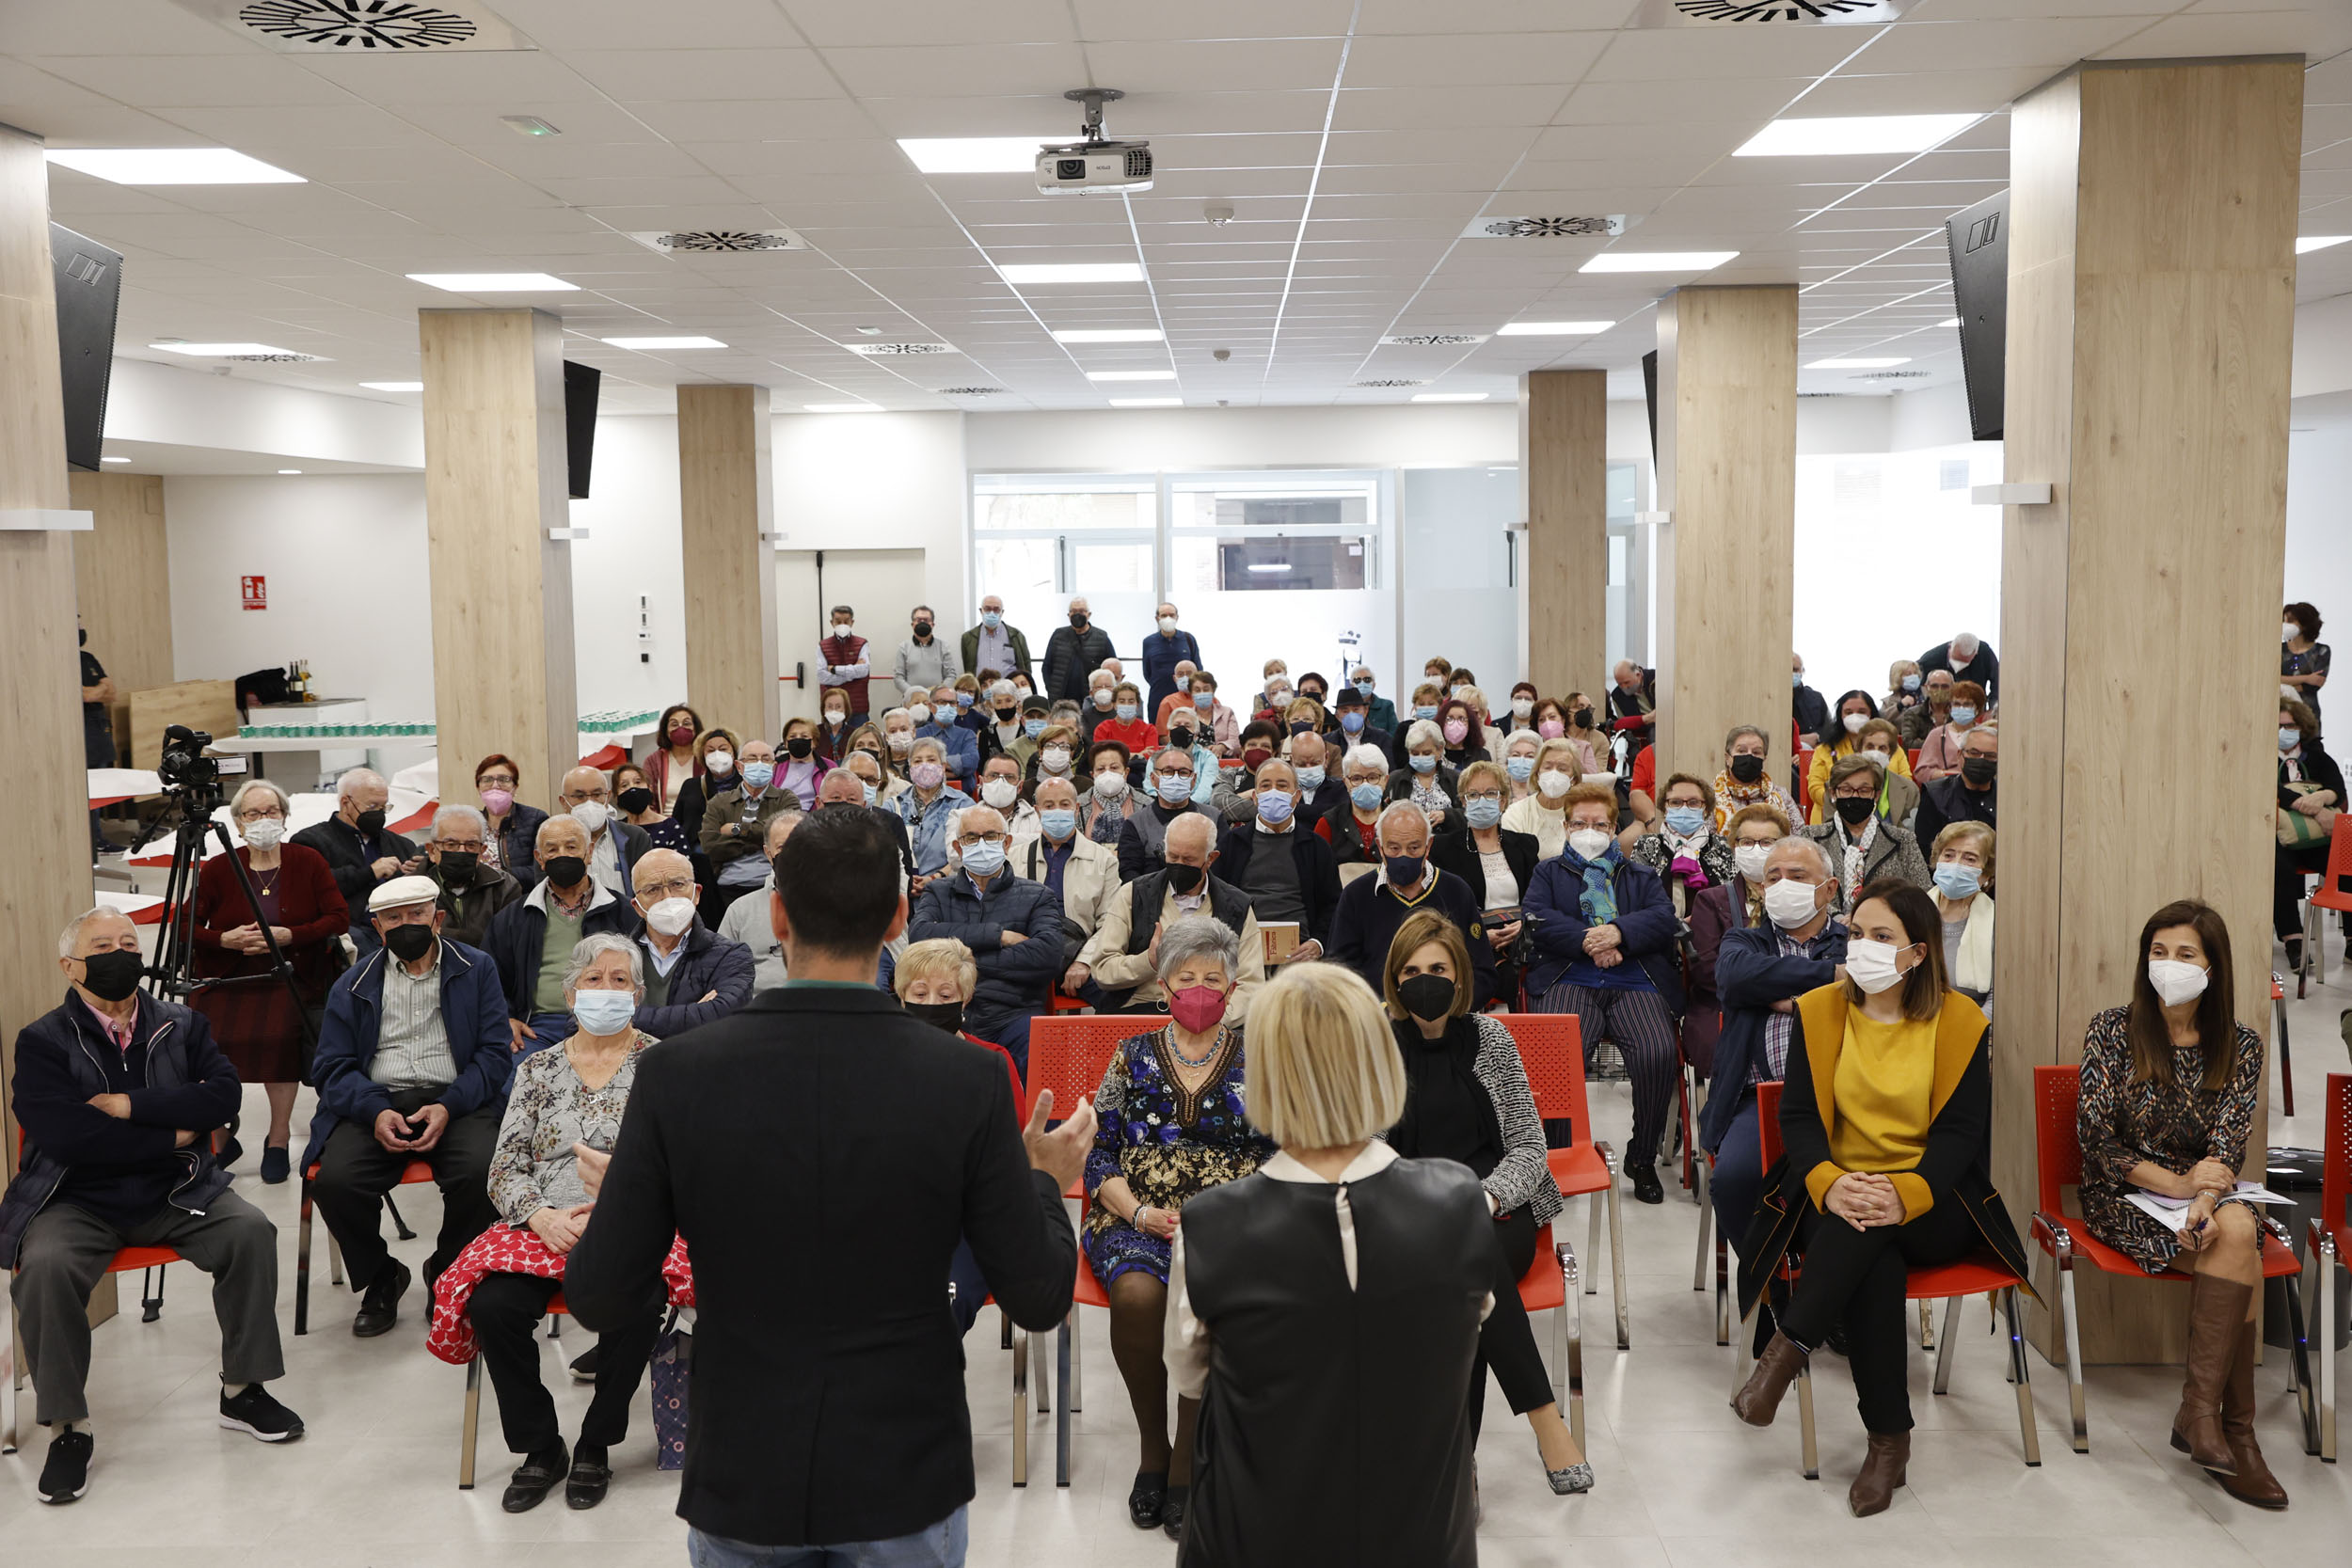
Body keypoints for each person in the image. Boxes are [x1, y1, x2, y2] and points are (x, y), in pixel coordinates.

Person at [561, 806, 1096, 1560]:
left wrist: (638, 1193)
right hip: (902, 1470)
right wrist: (1043, 1178)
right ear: (900, 917)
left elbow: (601, 1294)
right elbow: (1039, 1295)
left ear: (776, 914)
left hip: (743, 1468)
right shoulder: (965, 1078)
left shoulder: (676, 1076)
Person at [1169, 961, 1494, 1568]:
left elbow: (1189, 1380)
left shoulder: (1213, 1225)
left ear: (1263, 1074)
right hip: (1424, 1540)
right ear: (1377, 1060)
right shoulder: (1459, 1201)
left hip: (1257, 1538)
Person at [1731, 880, 2029, 1519]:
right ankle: (1888, 1442)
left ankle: (1786, 1351)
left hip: (1934, 1196)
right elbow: (1802, 1121)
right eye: (1857, 933)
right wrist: (1834, 1182)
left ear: (1918, 952)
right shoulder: (1820, 1009)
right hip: (1834, 1188)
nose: (1862, 947)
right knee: (1871, 1252)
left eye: (1881, 936)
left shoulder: (1961, 1022)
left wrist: (1906, 1192)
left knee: (1870, 1232)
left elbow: (1960, 1134)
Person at [3, 909, 300, 1501]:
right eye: (103, 945)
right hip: (75, 1196)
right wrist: (172, 1129)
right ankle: (68, 1426)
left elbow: (220, 1100)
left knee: (250, 1231)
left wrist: (130, 1107)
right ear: (70, 966)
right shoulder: (42, 1041)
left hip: (176, 1189)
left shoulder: (183, 1024)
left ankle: (243, 1390)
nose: (121, 954)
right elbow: (65, 1138)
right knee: (46, 1267)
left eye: (129, 943)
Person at [436, 934, 668, 1513]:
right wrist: (541, 1215)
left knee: (643, 1303)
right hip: (543, 1225)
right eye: (595, 980)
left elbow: (688, 1163)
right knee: (494, 1306)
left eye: (620, 981)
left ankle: (597, 1442)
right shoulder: (538, 1069)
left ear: (639, 994)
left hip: (632, 1222)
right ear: (570, 994)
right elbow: (504, 1166)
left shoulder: (665, 1064)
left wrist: (622, 1197)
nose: (607, 991)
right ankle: (540, 1447)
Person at [2074, 899, 2281, 1507]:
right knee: (2242, 1246)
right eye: (2158, 952)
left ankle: (2206, 1417)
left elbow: (2228, 1145)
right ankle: (2229, 1433)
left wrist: (2207, 1196)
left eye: (2185, 954)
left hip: (2201, 1206)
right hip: (2122, 1197)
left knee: (2235, 1232)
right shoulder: (2113, 1029)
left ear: (2213, 967)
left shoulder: (2240, 1043)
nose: (2168, 964)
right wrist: (2180, 1186)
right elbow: (2095, 1140)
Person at [1381, 911, 1590, 1494]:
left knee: (1468, 1267)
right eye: (1413, 970)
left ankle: (1457, 1465)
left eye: (1439, 969)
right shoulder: (1374, 1039)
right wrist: (1430, 1201)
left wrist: (1486, 1195)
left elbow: (1528, 1144)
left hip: (1498, 1205)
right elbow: (1365, 1148)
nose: (1427, 981)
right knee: (1469, 1278)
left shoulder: (1491, 1038)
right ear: (1396, 979)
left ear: (1461, 975)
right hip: (1408, 1209)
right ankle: (1546, 1421)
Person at [1084, 917, 1275, 1538]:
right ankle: (1152, 1448)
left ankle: (1190, 1455)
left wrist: (1230, 1210)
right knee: (1139, 1293)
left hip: (1232, 1220)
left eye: (1211, 979)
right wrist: (1137, 1211)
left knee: (1206, 1296)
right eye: (1185, 977)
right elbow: (1099, 1153)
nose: (1198, 989)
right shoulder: (1131, 1052)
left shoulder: (1261, 1055)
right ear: (1163, 985)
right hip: (1135, 1211)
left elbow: (1282, 1153)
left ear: (1233, 985)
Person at [306, 876, 515, 1338]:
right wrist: (375, 1110)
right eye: (393, 919)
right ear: (377, 929)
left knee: (485, 1171)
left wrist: (449, 1104)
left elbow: (495, 1055)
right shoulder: (352, 983)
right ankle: (382, 1275)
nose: (406, 926)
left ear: (436, 917)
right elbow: (332, 1067)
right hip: (376, 1101)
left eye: (416, 914)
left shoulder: (476, 968)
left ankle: (447, 1271)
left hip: (457, 1098)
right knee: (335, 1181)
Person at [1524, 783, 1685, 1204]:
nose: (1589, 830)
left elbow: (1663, 918)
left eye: (1599, 824)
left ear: (1614, 829)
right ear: (1566, 826)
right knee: (1560, 1052)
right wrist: (1592, 940)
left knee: (1656, 1051)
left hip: (1634, 979)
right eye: (1580, 823)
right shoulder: (1548, 872)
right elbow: (1537, 917)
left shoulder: (1639, 873)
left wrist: (1619, 933)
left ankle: (1642, 1156)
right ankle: (1560, 1154)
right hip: (1569, 975)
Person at [190, 779, 347, 1182]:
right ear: (239, 824)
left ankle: (278, 1138)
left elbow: (337, 917)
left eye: (271, 811)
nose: (264, 820)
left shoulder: (307, 860)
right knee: (204, 1042)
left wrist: (290, 935)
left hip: (288, 973)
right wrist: (223, 939)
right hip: (229, 975)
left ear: (285, 817)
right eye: (253, 814)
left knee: (279, 1037)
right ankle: (221, 1137)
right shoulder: (221, 866)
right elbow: (184, 925)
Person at [1699, 834, 1845, 1266]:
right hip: (1756, 1098)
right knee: (1734, 1179)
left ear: (1830, 888)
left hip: (1838, 1099)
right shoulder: (1744, 942)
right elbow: (1735, 979)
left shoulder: (1850, 941)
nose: (1783, 885)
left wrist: (1784, 992)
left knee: (1851, 1179)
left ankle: (1829, 1286)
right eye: (1773, 877)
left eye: (1797, 876)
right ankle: (1771, 1283)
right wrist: (1829, 980)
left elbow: (1864, 984)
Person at [907, 804, 1062, 1072]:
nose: (981, 844)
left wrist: (961, 960)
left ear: (1007, 843)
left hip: (1013, 1014)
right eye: (971, 837)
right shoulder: (938, 892)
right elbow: (920, 937)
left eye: (991, 836)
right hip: (945, 1009)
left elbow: (1047, 955)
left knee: (1040, 1045)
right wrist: (998, 935)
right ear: (958, 847)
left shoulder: (1037, 895)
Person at [1074, 812, 1265, 1022]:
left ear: (1211, 858)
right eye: (1172, 857)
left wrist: (1214, 1021)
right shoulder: (1133, 894)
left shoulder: (1237, 906)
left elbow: (1250, 983)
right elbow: (1102, 970)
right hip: (1140, 1013)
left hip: (1212, 1020)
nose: (1179, 865)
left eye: (1189, 859)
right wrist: (1148, 961)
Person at [488, 816, 643, 1055]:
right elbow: (492, 978)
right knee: (514, 1081)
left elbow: (643, 974)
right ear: (540, 859)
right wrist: (507, 1018)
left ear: (589, 852)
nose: (562, 855)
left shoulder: (621, 910)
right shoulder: (512, 917)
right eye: (552, 849)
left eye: (571, 847)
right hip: (538, 1028)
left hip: (608, 1021)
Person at [1328, 802, 1497, 1009]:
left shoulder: (1457, 891)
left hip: (1448, 1019)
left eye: (1414, 847)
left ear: (1429, 846)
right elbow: (1339, 971)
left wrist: (1450, 1010)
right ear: (1380, 847)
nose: (1403, 856)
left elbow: (1482, 972)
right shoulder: (1356, 895)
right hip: (1380, 1020)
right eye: (1394, 848)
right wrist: (1378, 1012)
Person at [1687, 804, 1796, 1083]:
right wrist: (1767, 994)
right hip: (1723, 1004)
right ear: (1734, 848)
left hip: (1791, 1005)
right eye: (1747, 842)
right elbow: (1706, 970)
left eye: (1767, 842)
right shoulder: (1711, 901)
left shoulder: (1801, 898)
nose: (1756, 849)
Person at [1214, 757, 1341, 970]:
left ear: (1296, 796)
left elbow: (1333, 904)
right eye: (1266, 786)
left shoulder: (1315, 846)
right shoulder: (1232, 844)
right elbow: (1216, 900)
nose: (1273, 792)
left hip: (1301, 953)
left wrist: (1318, 943)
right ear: (1255, 797)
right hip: (1243, 951)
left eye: (1282, 786)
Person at [1431, 760, 1538, 1006]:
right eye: (1473, 794)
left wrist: (1523, 927)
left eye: (1490, 793)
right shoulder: (1443, 848)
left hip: (1521, 941)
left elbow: (1536, 900)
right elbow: (1441, 909)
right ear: (1463, 801)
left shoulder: (1525, 844)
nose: (1482, 800)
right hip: (1470, 940)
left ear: (1502, 800)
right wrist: (1478, 937)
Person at [626, 847, 754, 1037]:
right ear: (637, 906)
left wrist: (622, 1017)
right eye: (653, 889)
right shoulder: (616, 957)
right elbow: (578, 1022)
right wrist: (696, 1013)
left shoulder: (731, 955)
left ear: (697, 894)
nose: (668, 897)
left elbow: (723, 1016)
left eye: (677, 884)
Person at [294, 766, 423, 952]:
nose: (379, 813)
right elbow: (313, 888)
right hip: (350, 933)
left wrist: (420, 871)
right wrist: (369, 872)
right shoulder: (311, 841)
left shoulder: (401, 844)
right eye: (372, 807)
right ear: (345, 803)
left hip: (398, 927)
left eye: (383, 807)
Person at [1021, 774, 1122, 999]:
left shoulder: (1104, 860)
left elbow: (1111, 922)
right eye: (1049, 805)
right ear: (1037, 811)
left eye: (1064, 804)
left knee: (1116, 994)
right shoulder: (1015, 857)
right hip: (1026, 959)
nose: (1057, 810)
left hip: (1078, 953)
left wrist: (1084, 961)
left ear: (1076, 809)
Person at [1803, 755, 1931, 908]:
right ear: (1833, 793)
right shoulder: (1810, 837)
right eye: (1846, 789)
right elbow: (1802, 891)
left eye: (1864, 790)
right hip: (1826, 926)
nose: (1855, 796)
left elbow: (1922, 893)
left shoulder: (1903, 839)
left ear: (1876, 795)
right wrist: (1836, 918)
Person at [2275, 695, 2343, 970]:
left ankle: (2351, 939)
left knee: (2345, 862)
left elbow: (2339, 790)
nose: (2283, 732)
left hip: (2316, 840)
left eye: (2289, 726)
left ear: (2301, 727)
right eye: (2278, 726)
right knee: (2278, 868)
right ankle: (2294, 940)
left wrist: (2324, 796)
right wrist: (2314, 808)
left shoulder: (2317, 756)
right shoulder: (2260, 756)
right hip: (2281, 840)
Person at [697, 738, 797, 919]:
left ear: (774, 767)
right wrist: (759, 840)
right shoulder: (718, 803)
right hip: (728, 886)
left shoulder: (786, 799)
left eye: (765, 759)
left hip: (774, 883)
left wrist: (737, 830)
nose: (759, 763)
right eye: (752, 759)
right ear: (739, 766)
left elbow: (789, 838)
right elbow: (710, 845)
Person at [1628, 771, 1735, 918]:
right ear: (1665, 809)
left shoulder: (1723, 846)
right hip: (1660, 931)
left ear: (1706, 810)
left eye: (1693, 802)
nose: (1684, 808)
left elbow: (1732, 901)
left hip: (1713, 933)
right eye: (1676, 802)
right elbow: (1636, 899)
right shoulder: (1646, 845)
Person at [425, 803, 527, 954]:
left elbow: (506, 944)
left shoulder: (505, 887)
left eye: (471, 845)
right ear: (432, 851)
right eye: (451, 844)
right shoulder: (411, 890)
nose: (461, 851)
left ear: (482, 851)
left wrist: (442, 934)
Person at [718, 810, 799, 992]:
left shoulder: (835, 907)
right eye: (782, 848)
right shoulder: (740, 910)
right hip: (756, 1011)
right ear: (768, 853)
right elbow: (722, 972)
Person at [1804, 690, 1913, 823]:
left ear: (1871, 713)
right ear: (1840, 715)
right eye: (1849, 712)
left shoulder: (1893, 748)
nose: (1855, 717)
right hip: (1832, 817)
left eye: (1861, 712)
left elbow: (1906, 782)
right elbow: (1815, 787)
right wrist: (1844, 802)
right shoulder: (1825, 749)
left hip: (1887, 818)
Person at [1927, 822, 1994, 1011]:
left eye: (1970, 859)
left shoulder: (1998, 921)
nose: (1956, 865)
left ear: (1987, 873)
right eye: (1948, 855)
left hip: (1973, 1026)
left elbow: (1998, 996)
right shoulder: (1912, 912)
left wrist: (1966, 1032)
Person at [558, 765, 652, 901]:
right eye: (579, 796)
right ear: (564, 802)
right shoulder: (551, 844)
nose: (589, 802)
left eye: (597, 795)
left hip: (625, 920)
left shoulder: (636, 837)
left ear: (608, 797)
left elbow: (648, 889)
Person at [1119, 746, 1209, 881]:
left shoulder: (1212, 818)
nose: (1176, 778)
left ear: (1193, 779)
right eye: (1168, 771)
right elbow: (1129, 872)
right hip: (1151, 897)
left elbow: (1223, 868)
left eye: (1183, 772)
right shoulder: (1136, 823)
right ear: (1153, 779)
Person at [893, 735, 973, 882]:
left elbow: (969, 852)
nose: (925, 766)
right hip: (901, 888)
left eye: (931, 760)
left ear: (942, 766)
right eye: (917, 761)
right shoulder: (893, 805)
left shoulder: (963, 804)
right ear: (910, 769)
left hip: (948, 888)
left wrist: (936, 877)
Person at [670, 729, 741, 885]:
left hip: (738, 851)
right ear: (703, 755)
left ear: (734, 753)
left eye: (723, 749)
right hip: (699, 855)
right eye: (710, 750)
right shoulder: (691, 785)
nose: (717, 754)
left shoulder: (747, 784)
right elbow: (677, 823)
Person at [1915, 722, 1997, 848]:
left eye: (1990, 756)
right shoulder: (1934, 794)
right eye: (1974, 753)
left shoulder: (2009, 799)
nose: (1981, 759)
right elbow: (1923, 849)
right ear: (1960, 755)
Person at [1501, 736, 1582, 860]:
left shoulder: (1584, 813)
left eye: (1562, 769)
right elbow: (1514, 860)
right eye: (1547, 767)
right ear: (1537, 773)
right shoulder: (1516, 813)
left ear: (1574, 779)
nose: (1553, 774)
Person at [1711, 723, 1802, 832]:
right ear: (1727, 758)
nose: (1749, 756)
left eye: (1756, 752)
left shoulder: (1780, 795)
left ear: (1764, 759)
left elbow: (1800, 836)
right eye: (1741, 751)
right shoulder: (1710, 796)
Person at [474, 753, 548, 881]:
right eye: (487, 780)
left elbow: (542, 869)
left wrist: (499, 875)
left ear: (515, 787)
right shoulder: (471, 822)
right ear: (478, 787)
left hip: (519, 895)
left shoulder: (536, 819)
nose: (495, 785)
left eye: (503, 779)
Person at [1326, 741, 1391, 871]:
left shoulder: (1400, 820)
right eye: (1356, 779)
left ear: (1386, 780)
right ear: (1345, 782)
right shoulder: (1329, 823)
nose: (1365, 784)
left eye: (1373, 777)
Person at [80, 618, 116, 852]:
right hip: (82, 730)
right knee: (87, 788)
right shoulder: (62, 661)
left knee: (100, 786)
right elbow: (84, 695)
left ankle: (98, 838)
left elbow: (111, 692)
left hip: (98, 728)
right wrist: (98, 690)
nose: (81, 629)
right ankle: (91, 841)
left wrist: (97, 691)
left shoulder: (87, 658)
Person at [1390, 719, 1461, 832]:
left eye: (1427, 753)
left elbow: (1469, 814)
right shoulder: (1395, 779)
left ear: (1440, 749)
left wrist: (1446, 815)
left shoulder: (1456, 779)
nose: (1421, 757)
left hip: (1448, 843)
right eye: (1415, 753)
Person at [1042, 594, 1116, 704]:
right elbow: (1047, 667)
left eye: (1081, 611)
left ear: (1089, 614)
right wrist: (1051, 689)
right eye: (1073, 611)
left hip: (1090, 699)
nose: (1077, 614)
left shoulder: (1101, 637)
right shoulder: (1058, 635)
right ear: (1068, 615)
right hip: (1059, 698)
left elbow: (1112, 668)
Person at [1848, 718, 1920, 827]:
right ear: (1859, 750)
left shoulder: (1910, 789)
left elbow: (1913, 832)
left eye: (1882, 748)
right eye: (1870, 747)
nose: (1875, 753)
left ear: (1890, 754)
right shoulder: (1839, 787)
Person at [641, 704, 707, 821]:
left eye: (686, 723)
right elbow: (647, 799)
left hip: (698, 823)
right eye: (674, 724)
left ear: (695, 729)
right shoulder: (654, 761)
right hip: (663, 823)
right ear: (666, 731)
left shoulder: (705, 758)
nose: (680, 728)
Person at [611, 760, 689, 859]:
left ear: (650, 788)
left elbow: (683, 864)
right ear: (616, 797)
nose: (632, 788)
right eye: (624, 785)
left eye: (638, 782)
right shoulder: (616, 830)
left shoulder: (670, 826)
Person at [1913, 679, 1986, 784]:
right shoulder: (1937, 734)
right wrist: (1948, 775)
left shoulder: (1985, 734)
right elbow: (1921, 772)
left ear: (1977, 708)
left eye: (1967, 704)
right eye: (1956, 704)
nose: (1961, 708)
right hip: (1945, 791)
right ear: (1950, 707)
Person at [915, 684, 982, 795]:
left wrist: (932, 766)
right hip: (926, 796)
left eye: (952, 703)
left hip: (962, 797)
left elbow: (971, 761)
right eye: (942, 702)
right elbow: (917, 768)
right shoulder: (920, 734)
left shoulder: (967, 734)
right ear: (931, 706)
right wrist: (955, 769)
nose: (947, 706)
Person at [817, 603, 874, 730]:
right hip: (832, 708)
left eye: (846, 621)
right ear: (832, 623)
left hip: (858, 707)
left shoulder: (862, 643)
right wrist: (851, 673)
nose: (842, 625)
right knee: (831, 745)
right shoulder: (823, 645)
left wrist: (834, 670)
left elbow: (863, 670)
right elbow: (822, 676)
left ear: (852, 622)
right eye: (838, 621)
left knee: (859, 743)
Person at [1141, 599, 1201, 715]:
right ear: (1157, 619)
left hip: (1186, 698)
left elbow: (1198, 669)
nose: (1168, 618)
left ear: (1177, 617)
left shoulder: (1188, 639)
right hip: (1158, 697)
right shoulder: (1148, 642)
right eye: (1164, 615)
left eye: (1171, 615)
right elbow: (1147, 672)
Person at [892, 604, 961, 705]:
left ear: (932, 624)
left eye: (926, 620)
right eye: (919, 620)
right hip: (911, 701)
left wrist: (936, 693)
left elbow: (951, 675)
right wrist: (915, 694)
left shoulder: (943, 647)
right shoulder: (903, 647)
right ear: (912, 624)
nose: (922, 623)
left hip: (937, 701)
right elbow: (898, 678)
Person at [963, 594, 1033, 687]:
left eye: (996, 609)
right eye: (987, 609)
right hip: (981, 691)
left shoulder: (1016, 635)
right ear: (981, 611)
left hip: (1009, 691)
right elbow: (967, 667)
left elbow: (1026, 665)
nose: (992, 613)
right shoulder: (968, 638)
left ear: (1002, 612)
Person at [1078, 737, 1136, 843]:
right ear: (1093, 775)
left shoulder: (1146, 804)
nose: (1108, 773)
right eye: (1101, 769)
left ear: (1126, 772)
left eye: (1114, 768)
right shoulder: (1078, 806)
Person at [2282, 601, 2330, 724]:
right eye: (2284, 620)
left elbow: (2315, 684)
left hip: (2309, 714)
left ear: (2304, 624)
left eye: (2290, 621)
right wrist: (2306, 678)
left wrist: (2284, 682)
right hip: (2280, 713)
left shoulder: (2322, 650)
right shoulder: (2278, 649)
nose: (2285, 625)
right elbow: (2270, 680)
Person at [1917, 630, 1998, 704]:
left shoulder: (1984, 653)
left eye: (1964, 661)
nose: (1959, 665)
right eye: (1956, 659)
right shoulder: (1929, 660)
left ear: (1975, 654)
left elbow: (1999, 681)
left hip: (1975, 708)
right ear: (1950, 647)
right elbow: (1918, 686)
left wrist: (1992, 708)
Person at [774, 718, 833, 809]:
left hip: (815, 818)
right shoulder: (775, 765)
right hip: (781, 817)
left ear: (814, 742)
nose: (798, 740)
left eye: (804, 736)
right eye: (793, 736)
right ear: (786, 743)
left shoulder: (829, 767)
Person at [1093, 678, 1160, 758]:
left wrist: (1117, 754)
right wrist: (1138, 755)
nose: (1127, 705)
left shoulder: (1149, 729)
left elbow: (1152, 756)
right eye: (1122, 701)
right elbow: (1101, 755)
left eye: (1131, 701)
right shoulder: (1103, 728)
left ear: (1137, 704)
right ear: (1114, 704)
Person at [1553, 693, 1610, 779]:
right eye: (1580, 707)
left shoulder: (1600, 739)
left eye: (1589, 708)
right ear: (1567, 711)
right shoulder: (1558, 735)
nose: (1586, 711)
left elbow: (1599, 772)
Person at [1336, 685, 1394, 766]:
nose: (1351, 714)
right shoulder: (1329, 741)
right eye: (1345, 711)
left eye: (1356, 709)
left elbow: (1389, 768)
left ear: (1365, 711)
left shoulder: (1382, 738)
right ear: (1337, 716)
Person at [1897, 668, 1954, 750]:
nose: (1939, 690)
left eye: (1944, 686)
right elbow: (1908, 743)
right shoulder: (1913, 714)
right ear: (1927, 687)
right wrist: (1943, 744)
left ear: (1952, 688)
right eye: (1934, 686)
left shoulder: (1959, 713)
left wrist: (1925, 742)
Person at [1188, 669, 1241, 753]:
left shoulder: (1227, 713)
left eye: (1206, 689)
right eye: (1197, 690)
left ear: (1213, 691)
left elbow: (1236, 741)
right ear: (1191, 693)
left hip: (1224, 761)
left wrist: (1222, 747)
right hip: (1193, 761)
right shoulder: (1186, 715)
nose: (1202, 693)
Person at [1437, 696, 1488, 772]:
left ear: (1470, 723)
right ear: (1442, 722)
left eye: (1462, 719)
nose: (1456, 723)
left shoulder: (1481, 755)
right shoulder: (1434, 753)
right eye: (1450, 718)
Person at [1349, 665, 1400, 736]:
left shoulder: (1386, 706)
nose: (1362, 683)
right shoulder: (1346, 708)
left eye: (1367, 680)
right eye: (1357, 680)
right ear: (1352, 685)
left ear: (1373, 685)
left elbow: (1395, 733)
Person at [1792, 655, 1829, 750]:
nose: (1792, 673)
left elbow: (1830, 730)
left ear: (1802, 671)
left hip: (1813, 756)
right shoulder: (1770, 701)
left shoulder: (1816, 698)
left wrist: (1818, 737)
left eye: (1795, 670)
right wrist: (1796, 739)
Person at [815, 685, 858, 765]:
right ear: (823, 709)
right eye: (829, 706)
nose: (834, 710)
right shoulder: (815, 732)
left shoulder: (855, 734)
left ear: (846, 709)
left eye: (838, 707)